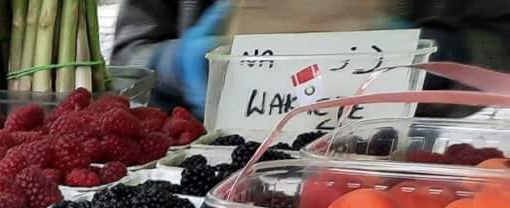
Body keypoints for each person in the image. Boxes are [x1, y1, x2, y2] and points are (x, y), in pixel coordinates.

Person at [111, 0, 510, 116]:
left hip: (397, 173)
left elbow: (501, 45)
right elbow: (126, 59)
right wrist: (173, 64)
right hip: (209, 165)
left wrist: (436, 58)